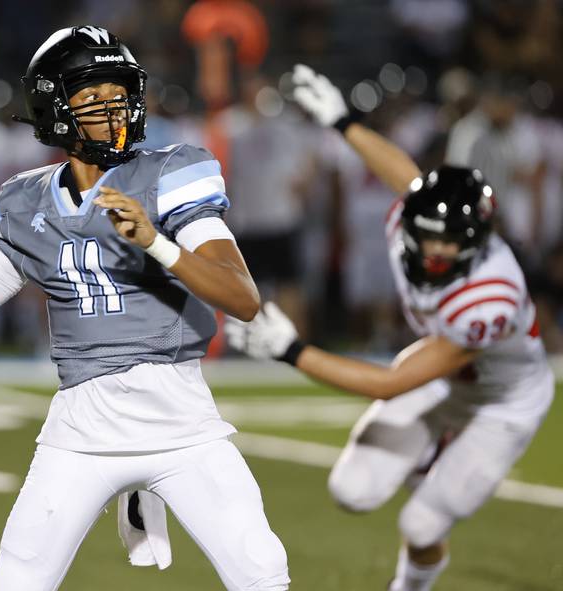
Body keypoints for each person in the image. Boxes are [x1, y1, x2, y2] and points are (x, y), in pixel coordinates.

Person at [0, 26, 289, 591]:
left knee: (263, 571)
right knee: (16, 582)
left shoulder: (170, 174)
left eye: (119, 93)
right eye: (92, 97)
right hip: (81, 428)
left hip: (182, 420)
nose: (112, 109)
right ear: (54, 108)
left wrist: (157, 242)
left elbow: (243, 298)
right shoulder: (25, 202)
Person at [226, 64, 553, 591]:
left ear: (477, 241)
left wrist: (291, 350)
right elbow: (404, 172)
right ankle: (430, 450)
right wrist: (341, 120)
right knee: (352, 491)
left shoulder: (491, 296)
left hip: (501, 403)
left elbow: (388, 384)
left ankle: (408, 586)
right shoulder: (413, 216)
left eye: (452, 242)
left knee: (420, 523)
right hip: (443, 374)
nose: (438, 249)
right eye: (430, 234)